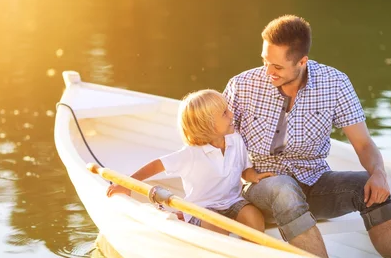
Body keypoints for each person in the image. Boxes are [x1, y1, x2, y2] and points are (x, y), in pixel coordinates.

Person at [223, 15, 391, 258]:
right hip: (260, 190)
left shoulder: (335, 83)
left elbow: (363, 144)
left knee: (369, 188)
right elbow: (216, 143)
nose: (268, 72)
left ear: (302, 61)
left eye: (277, 67)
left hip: (314, 182)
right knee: (284, 188)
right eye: (265, 61)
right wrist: (242, 174)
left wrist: (378, 174)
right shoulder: (242, 85)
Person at [107, 89, 273, 236]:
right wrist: (126, 184)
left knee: (254, 217)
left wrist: (254, 176)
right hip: (201, 208)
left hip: (232, 202)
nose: (231, 114)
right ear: (207, 125)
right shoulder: (191, 154)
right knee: (218, 229)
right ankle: (188, 221)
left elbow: (244, 170)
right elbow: (156, 165)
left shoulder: (236, 140)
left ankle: (253, 253)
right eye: (224, 113)